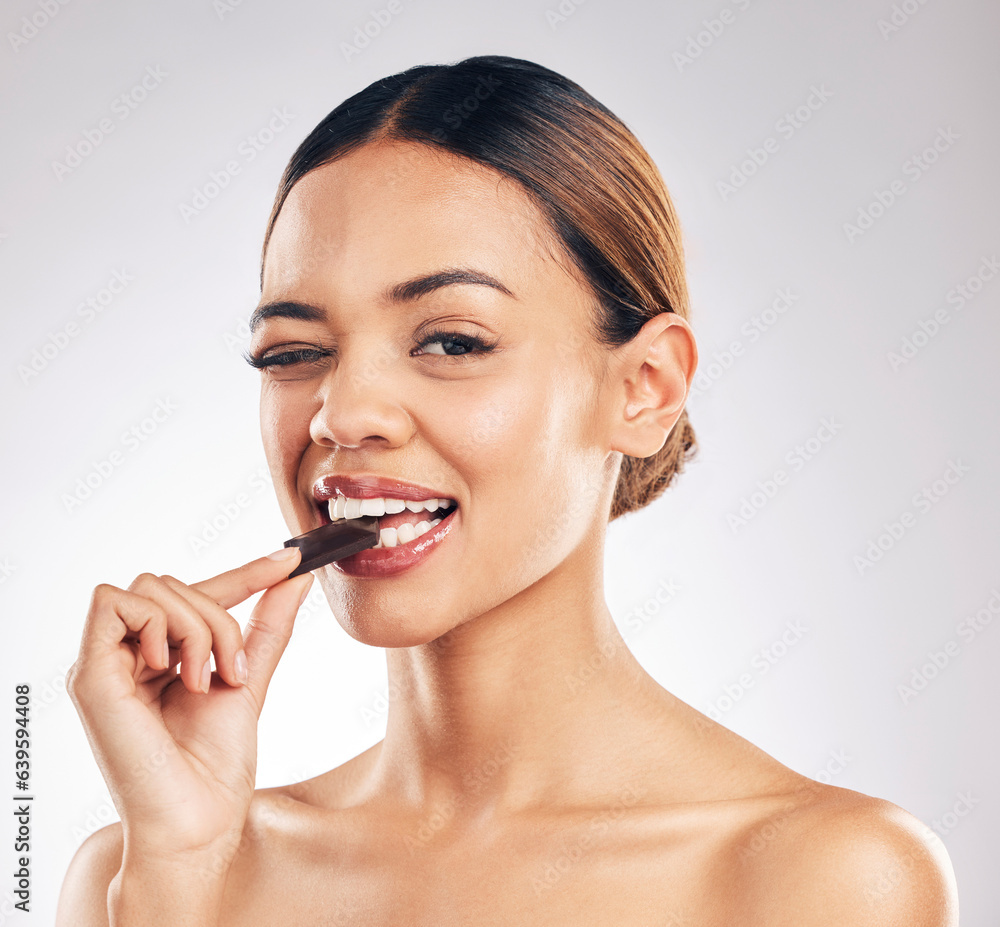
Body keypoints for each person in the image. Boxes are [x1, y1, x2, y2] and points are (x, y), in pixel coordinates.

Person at [57, 55, 958, 925]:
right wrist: (176, 885)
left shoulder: (826, 879)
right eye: (294, 352)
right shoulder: (144, 868)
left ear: (644, 388)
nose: (343, 413)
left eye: (451, 340)